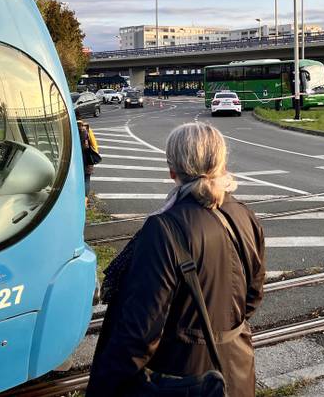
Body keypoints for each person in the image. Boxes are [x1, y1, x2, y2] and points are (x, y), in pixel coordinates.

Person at [87, 122, 266, 397]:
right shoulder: (244, 215)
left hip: (184, 379)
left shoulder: (164, 230)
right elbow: (252, 297)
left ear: (172, 170)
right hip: (238, 371)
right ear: (221, 163)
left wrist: (103, 386)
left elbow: (139, 334)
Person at [77, 119, 100, 197]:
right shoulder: (87, 129)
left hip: (75, 159)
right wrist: (95, 155)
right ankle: (85, 198)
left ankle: (78, 196)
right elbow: (94, 144)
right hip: (87, 158)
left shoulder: (71, 129)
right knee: (86, 179)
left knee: (77, 179)